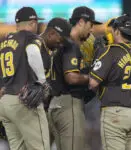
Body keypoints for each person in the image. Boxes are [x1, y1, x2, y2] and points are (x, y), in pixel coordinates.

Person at [89, 14, 131, 150]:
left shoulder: (109, 52)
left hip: (114, 113)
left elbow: (93, 83)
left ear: (116, 31)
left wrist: (96, 59)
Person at [47, 6, 102, 150]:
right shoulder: (70, 44)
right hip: (68, 104)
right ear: (82, 22)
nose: (92, 30)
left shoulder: (55, 43)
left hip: (53, 104)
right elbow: (71, 77)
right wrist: (92, 77)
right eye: (91, 25)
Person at [0, 7, 50, 150]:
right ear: (33, 22)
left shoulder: (4, 42)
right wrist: (42, 81)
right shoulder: (29, 37)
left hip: (5, 102)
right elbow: (33, 52)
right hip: (24, 100)